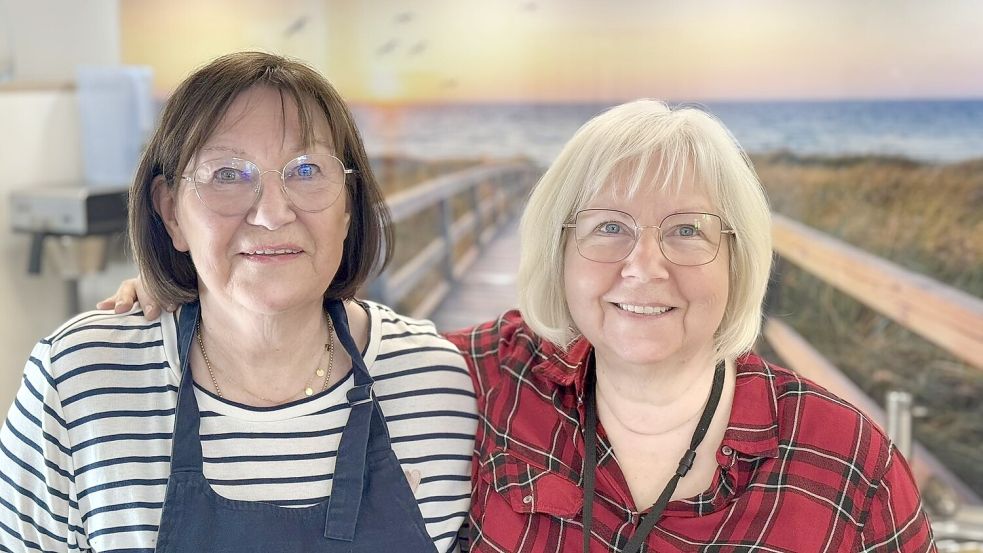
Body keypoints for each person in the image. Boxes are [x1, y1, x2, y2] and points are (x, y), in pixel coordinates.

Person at [101, 100, 936, 551]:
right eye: (607, 227)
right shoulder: (490, 375)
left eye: (686, 230)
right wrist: (201, 286)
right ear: (558, 253)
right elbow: (334, 336)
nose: (643, 266)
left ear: (738, 257)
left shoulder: (841, 460)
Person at [0, 52, 476, 552]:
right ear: (171, 213)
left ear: (348, 208)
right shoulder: (81, 381)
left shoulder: (436, 383)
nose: (272, 214)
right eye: (227, 174)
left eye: (307, 169)